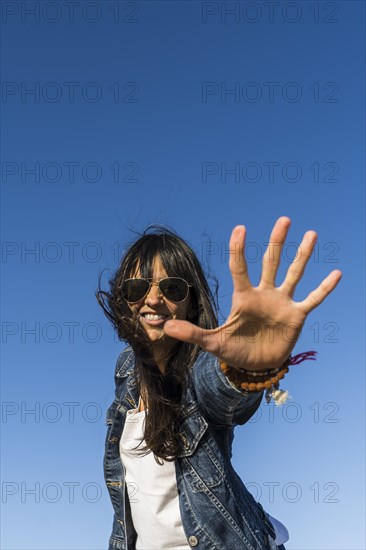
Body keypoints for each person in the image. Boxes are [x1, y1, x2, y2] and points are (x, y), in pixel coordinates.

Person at [96, 217, 342, 550]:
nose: (153, 299)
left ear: (192, 302)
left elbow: (222, 391)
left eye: (171, 288)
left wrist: (246, 368)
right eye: (138, 287)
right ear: (124, 299)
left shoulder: (201, 366)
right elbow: (127, 509)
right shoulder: (126, 371)